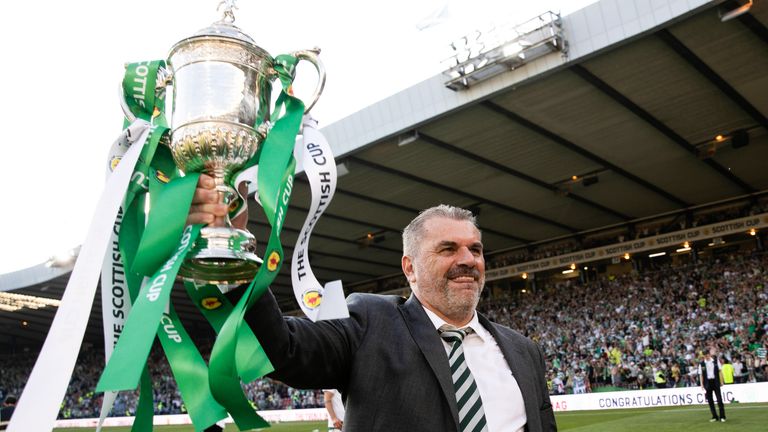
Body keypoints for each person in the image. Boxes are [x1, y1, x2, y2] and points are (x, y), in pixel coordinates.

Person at [190, 178, 556, 431]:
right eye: (447, 249)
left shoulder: (523, 352)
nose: (468, 260)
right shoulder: (370, 322)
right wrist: (230, 252)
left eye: (474, 249)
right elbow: (284, 350)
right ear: (409, 268)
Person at [699, 349, 726, 423]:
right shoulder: (702, 364)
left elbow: (720, 371)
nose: (706, 356)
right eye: (704, 355)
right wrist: (701, 384)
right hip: (707, 383)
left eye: (707, 355)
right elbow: (701, 375)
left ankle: (722, 416)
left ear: (709, 354)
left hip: (715, 381)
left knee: (719, 400)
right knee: (710, 401)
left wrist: (721, 380)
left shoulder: (715, 361)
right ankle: (715, 416)